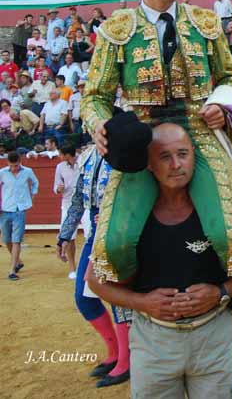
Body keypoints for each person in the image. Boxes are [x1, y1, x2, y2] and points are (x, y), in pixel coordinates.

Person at [80, 0, 232, 285]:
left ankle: (223, 300)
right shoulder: (116, 29)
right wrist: (103, 128)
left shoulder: (205, 23)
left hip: (198, 129)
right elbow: (94, 97)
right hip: (142, 138)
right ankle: (144, 298)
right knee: (115, 245)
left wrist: (221, 109)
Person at [87, 123, 232, 397]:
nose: (176, 165)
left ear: (194, 157)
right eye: (164, 156)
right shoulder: (131, 218)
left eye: (183, 154)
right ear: (149, 163)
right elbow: (94, 280)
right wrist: (142, 302)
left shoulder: (218, 209)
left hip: (212, 333)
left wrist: (221, 292)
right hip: (153, 339)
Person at [56, 145, 132, 388]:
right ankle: (114, 352)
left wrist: (116, 215)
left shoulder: (129, 149)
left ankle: (126, 360)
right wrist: (65, 234)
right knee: (84, 296)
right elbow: (78, 198)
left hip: (121, 232)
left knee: (117, 298)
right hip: (94, 234)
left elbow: (142, 193)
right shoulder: (89, 154)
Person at [1, 151, 39, 281]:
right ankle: (18, 261)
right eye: (12, 166)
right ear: (8, 163)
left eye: (16, 165)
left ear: (20, 161)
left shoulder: (27, 171)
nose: (14, 168)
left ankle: (12, 270)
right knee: (6, 240)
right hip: (5, 209)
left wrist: (33, 195)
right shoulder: (2, 173)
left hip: (20, 210)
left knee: (16, 239)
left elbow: (35, 183)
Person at [54, 145, 84, 279]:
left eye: (61, 154)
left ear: (67, 155)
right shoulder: (60, 167)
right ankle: (73, 268)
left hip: (86, 203)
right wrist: (59, 189)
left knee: (90, 235)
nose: (59, 157)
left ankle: (90, 267)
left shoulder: (83, 161)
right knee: (69, 237)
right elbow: (56, 187)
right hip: (67, 203)